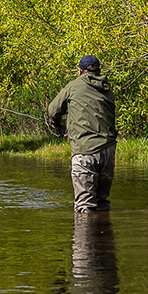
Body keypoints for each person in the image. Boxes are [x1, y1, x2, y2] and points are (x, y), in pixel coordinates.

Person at [49, 55, 118, 213]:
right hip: (108, 151)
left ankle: (84, 238)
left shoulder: (74, 86)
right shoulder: (107, 87)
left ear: (79, 71)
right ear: (100, 71)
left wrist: (57, 124)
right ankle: (104, 236)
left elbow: (53, 110)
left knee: (84, 206)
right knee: (102, 203)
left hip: (84, 152)